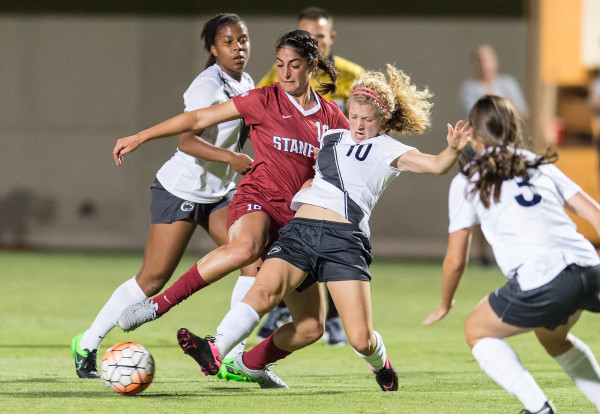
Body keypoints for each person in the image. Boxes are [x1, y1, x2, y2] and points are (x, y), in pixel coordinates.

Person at [172, 65, 471, 390]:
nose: (358, 124)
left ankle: (379, 361)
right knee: (263, 292)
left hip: (344, 243)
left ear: (383, 119)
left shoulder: (390, 149)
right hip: (301, 232)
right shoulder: (330, 137)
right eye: (353, 115)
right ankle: (215, 350)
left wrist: (453, 149)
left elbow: (437, 165)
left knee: (360, 339)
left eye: (367, 119)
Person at [114, 30, 350, 384]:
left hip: (298, 226)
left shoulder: (332, 118)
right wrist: (141, 136)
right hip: (256, 198)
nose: (285, 73)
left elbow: (350, 166)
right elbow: (197, 120)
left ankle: (248, 364)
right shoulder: (263, 99)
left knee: (311, 327)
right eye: (280, 64)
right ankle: (157, 305)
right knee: (246, 248)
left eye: (295, 65)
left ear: (312, 66)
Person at [70, 13, 259, 380]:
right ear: (213, 48)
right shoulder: (207, 85)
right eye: (229, 41)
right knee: (152, 280)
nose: (238, 48)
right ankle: (87, 342)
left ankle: (230, 354)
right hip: (182, 189)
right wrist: (231, 158)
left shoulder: (246, 81)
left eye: (244, 40)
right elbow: (186, 140)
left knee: (253, 261)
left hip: (219, 193)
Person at [424, 95, 600, 413]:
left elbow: (455, 261)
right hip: (590, 267)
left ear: (474, 133)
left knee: (476, 330)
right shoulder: (538, 164)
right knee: (554, 339)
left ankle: (538, 409)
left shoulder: (468, 179)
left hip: (545, 278)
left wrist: (445, 302)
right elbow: (596, 214)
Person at [256, 6, 364, 346]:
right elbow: (257, 114)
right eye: (306, 35)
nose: (312, 42)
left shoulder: (353, 77)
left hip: (338, 179)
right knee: (286, 240)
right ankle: (282, 308)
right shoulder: (282, 75)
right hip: (295, 177)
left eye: (318, 36)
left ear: (330, 38)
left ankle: (331, 317)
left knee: (336, 241)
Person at [458, 44, 529, 267]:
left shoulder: (508, 83)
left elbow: (522, 111)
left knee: (510, 195)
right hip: (478, 149)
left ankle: (510, 247)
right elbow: (479, 116)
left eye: (488, 59)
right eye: (480, 60)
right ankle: (483, 253)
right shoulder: (469, 87)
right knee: (480, 196)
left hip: (506, 147)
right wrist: (502, 105)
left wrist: (494, 104)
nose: (485, 65)